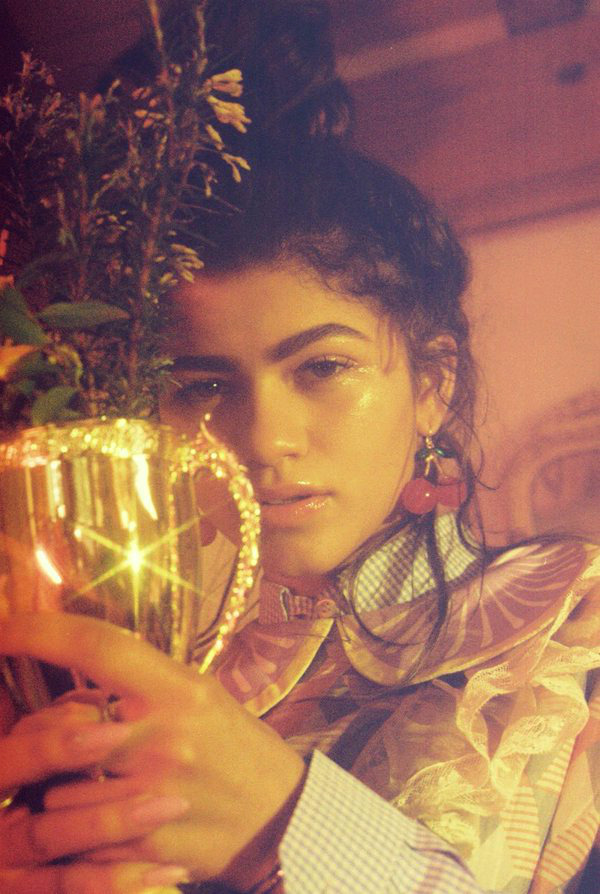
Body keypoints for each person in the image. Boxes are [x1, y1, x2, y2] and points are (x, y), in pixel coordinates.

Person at [1, 5, 599, 894]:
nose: (264, 441)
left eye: (322, 368)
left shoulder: (566, 643)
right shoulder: (113, 661)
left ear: (431, 384)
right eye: (203, 388)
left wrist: (285, 829)